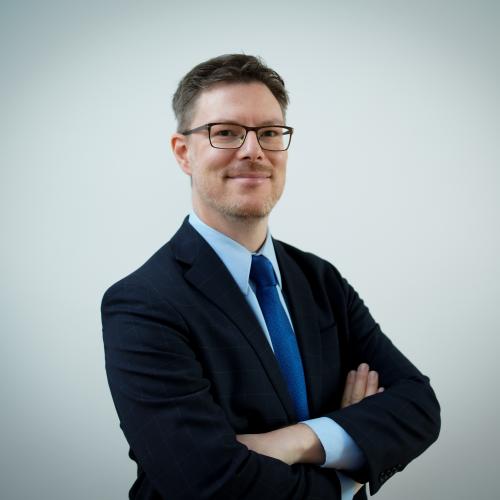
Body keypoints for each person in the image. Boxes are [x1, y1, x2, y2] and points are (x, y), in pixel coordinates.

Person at [101, 54, 440, 500]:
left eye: (269, 132)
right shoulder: (142, 304)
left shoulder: (321, 281)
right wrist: (350, 466)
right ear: (184, 153)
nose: (253, 150)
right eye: (226, 132)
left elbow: (418, 406)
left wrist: (298, 440)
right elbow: (210, 485)